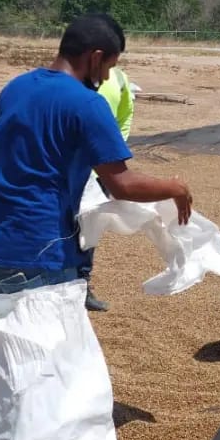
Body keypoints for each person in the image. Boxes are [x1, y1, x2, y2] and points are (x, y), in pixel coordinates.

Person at [0, 13, 192, 440]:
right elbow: (120, 183)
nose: (106, 78)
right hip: (36, 250)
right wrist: (175, 187)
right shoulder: (86, 104)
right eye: (108, 69)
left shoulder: (16, 87)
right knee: (41, 370)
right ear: (95, 57)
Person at [78, 64, 136, 311]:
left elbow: (125, 114)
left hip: (98, 173)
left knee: (89, 230)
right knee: (61, 227)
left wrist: (111, 151)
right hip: (68, 171)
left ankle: (82, 287)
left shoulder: (120, 79)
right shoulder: (71, 79)